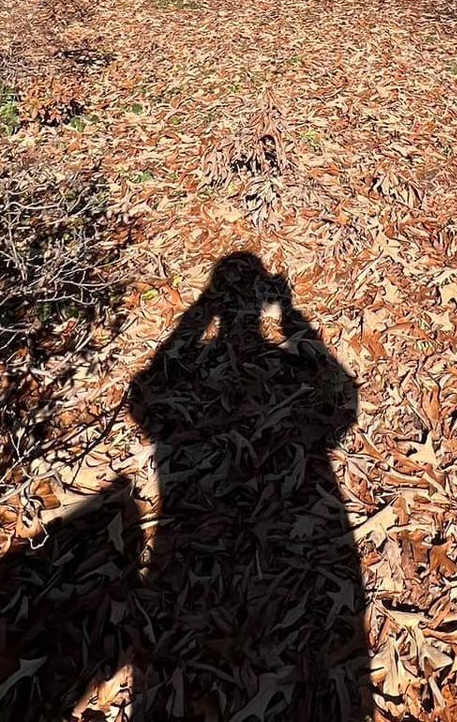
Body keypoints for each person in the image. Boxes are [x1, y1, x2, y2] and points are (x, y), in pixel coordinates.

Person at [125, 253, 373, 721]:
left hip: (183, 531)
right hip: (312, 515)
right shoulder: (291, 375)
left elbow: (145, 393)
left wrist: (204, 309)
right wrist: (290, 315)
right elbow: (343, 395)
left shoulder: (195, 365)